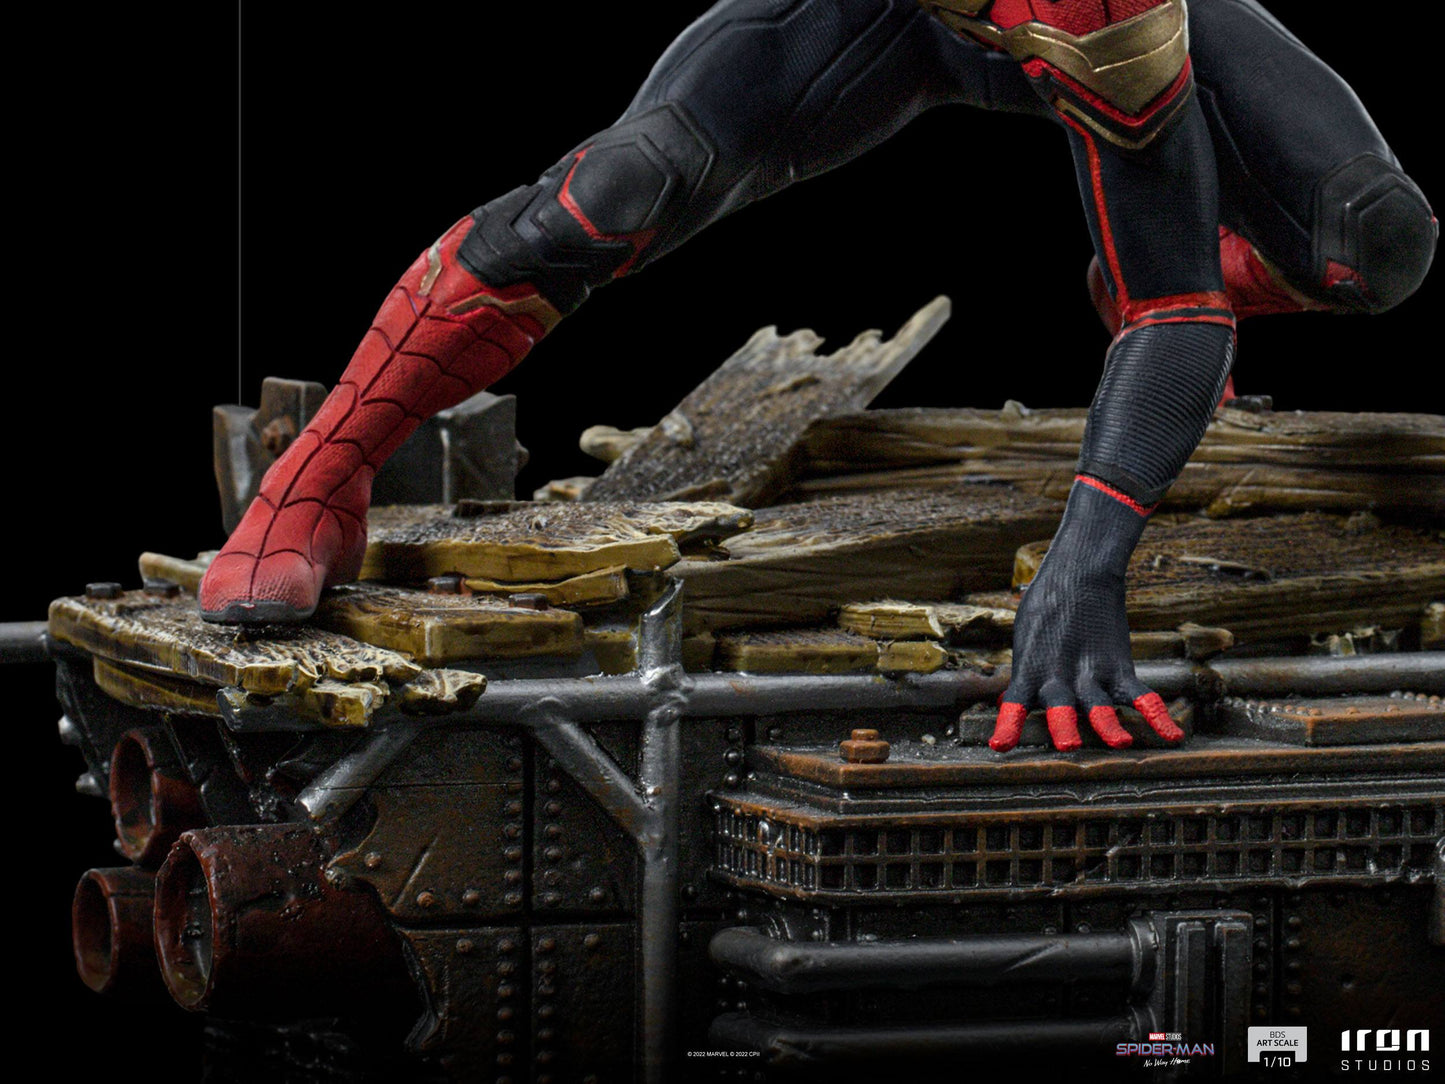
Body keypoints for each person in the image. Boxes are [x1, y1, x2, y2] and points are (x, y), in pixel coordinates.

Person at [198, 0, 1435, 753]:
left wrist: (1085, 562)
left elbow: (1172, 306)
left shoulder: (1107, 12)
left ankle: (1180, 270)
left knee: (1371, 245)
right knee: (605, 194)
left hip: (1077, 27)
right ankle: (315, 480)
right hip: (873, 18)